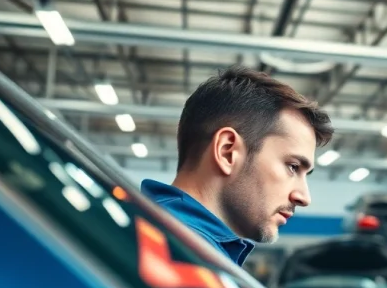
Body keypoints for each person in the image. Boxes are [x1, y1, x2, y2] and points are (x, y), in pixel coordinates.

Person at [141, 66, 334, 267]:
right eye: (293, 167)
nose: (304, 197)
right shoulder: (185, 257)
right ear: (227, 151)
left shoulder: (151, 232)